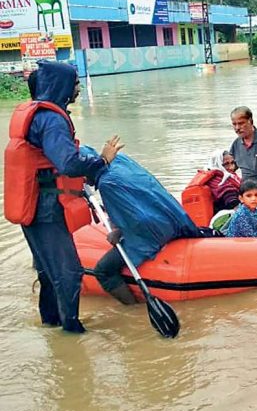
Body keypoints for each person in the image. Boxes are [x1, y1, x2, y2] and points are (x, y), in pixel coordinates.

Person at [4, 60, 122, 333]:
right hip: (46, 207)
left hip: (31, 202)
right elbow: (68, 163)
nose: (78, 88)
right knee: (69, 273)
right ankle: (71, 331)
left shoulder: (37, 115)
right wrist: (102, 161)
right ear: (61, 86)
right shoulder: (53, 120)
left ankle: (51, 323)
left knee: (48, 271)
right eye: (75, 83)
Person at [87, 147, 199, 305]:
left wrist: (119, 231)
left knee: (103, 271)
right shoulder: (122, 161)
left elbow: (135, 219)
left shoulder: (107, 184)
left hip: (153, 233)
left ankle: (133, 308)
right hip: (172, 219)